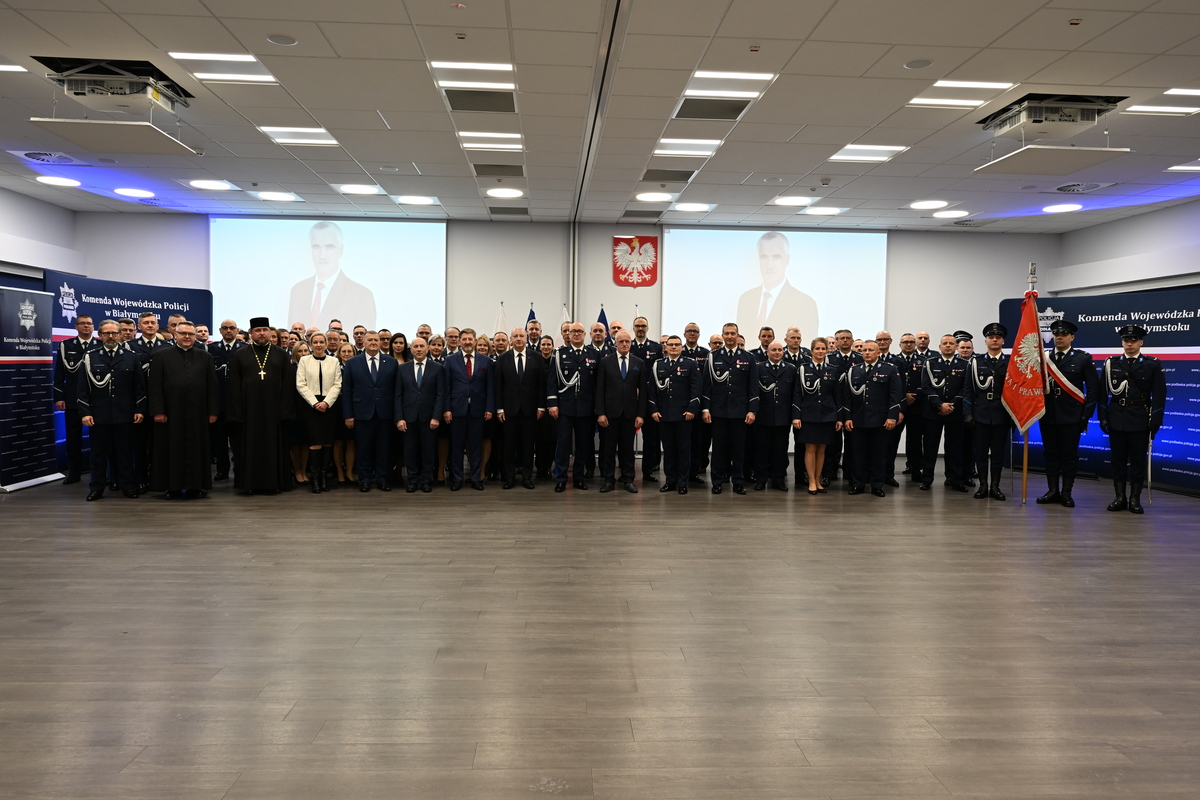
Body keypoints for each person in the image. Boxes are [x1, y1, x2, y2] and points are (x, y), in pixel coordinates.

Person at [1099, 324, 1165, 514]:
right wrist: (1102, 417)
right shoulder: (1111, 363)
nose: (1129, 344)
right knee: (1118, 461)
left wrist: (1156, 421)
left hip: (1140, 419)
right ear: (1122, 342)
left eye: (1133, 340)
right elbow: (1102, 393)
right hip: (1116, 417)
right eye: (1126, 340)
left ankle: (1135, 499)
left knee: (1137, 461)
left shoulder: (1152, 364)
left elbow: (1159, 394)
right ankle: (1120, 497)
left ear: (1141, 342)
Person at [148, 321, 219, 499]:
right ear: (175, 335)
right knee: (171, 450)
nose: (187, 337)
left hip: (198, 412)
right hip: (171, 413)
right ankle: (173, 488)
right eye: (183, 333)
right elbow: (155, 386)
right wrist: (158, 411)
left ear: (195, 337)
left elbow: (212, 386)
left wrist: (212, 411)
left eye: (191, 334)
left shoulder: (205, 357)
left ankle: (196, 487)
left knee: (197, 449)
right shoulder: (161, 356)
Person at [77, 320, 145, 500]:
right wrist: (85, 412)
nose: (111, 336)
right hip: (99, 415)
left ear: (120, 334)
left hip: (125, 414)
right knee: (98, 454)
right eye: (106, 333)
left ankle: (127, 486)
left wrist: (140, 409)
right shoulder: (90, 357)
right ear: (100, 335)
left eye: (114, 333)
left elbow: (139, 387)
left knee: (125, 452)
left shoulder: (131, 357)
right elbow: (82, 389)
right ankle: (96, 488)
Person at [227, 317, 296, 495]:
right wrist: (237, 412)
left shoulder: (280, 354)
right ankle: (249, 484)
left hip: (274, 412)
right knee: (250, 448)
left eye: (265, 330)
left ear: (270, 332)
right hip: (249, 412)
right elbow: (234, 385)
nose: (262, 333)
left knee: (274, 447)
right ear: (251, 333)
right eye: (258, 330)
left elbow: (288, 384)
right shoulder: (240, 354)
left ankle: (274, 483)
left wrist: (285, 411)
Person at [1037, 320, 1100, 509]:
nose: (1059, 337)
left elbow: (1093, 389)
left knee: (1069, 456)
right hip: (1048, 414)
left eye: (1064, 334)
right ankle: (1052, 490)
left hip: (1072, 415)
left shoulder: (1082, 358)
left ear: (1071, 337)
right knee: (1050, 454)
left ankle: (1066, 493)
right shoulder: (1043, 358)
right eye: (1056, 334)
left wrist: (1086, 415)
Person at [702, 323, 759, 495]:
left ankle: (738, 482)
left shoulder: (748, 357)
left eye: (733, 333)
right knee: (718, 449)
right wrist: (705, 409)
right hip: (718, 411)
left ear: (737, 335)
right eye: (726, 333)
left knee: (738, 449)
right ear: (722, 335)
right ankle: (717, 482)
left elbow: (753, 387)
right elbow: (707, 386)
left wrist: (752, 410)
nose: (729, 336)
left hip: (740, 412)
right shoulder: (713, 356)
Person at [286, 221, 377, 329]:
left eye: (329, 247)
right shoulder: (297, 291)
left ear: (340, 250)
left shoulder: (362, 295)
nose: (322, 255)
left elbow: (366, 337)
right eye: (316, 247)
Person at [840, 340, 902, 497]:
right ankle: (858, 484)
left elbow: (895, 395)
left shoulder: (890, 369)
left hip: (880, 420)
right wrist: (848, 417)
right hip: (858, 419)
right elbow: (847, 396)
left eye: (870, 350)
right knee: (857, 454)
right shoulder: (854, 370)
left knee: (879, 454)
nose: (867, 353)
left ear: (878, 353)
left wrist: (892, 417)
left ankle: (877, 485)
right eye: (864, 350)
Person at [342, 330, 399, 491]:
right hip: (361, 413)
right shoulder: (353, 363)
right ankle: (365, 480)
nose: (373, 342)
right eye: (370, 340)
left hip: (385, 414)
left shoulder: (391, 362)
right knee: (363, 448)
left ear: (380, 342)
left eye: (376, 340)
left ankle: (382, 479)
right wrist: (348, 415)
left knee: (384, 449)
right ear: (364, 342)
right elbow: (347, 391)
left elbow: (397, 391)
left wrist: (397, 415)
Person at [735, 231, 819, 339]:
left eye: (776, 257)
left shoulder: (805, 304)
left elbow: (807, 343)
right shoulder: (746, 299)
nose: (769, 265)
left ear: (787, 260)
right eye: (764, 257)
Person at [548, 322, 600, 492]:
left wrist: (597, 407)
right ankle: (561, 478)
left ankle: (579, 477)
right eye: (573, 331)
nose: (576, 334)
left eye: (579, 331)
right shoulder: (559, 354)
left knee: (583, 445)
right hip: (565, 407)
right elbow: (552, 381)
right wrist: (552, 403)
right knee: (563, 444)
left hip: (586, 407)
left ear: (585, 334)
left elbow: (598, 384)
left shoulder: (594, 354)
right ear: (568, 334)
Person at [963, 323, 1011, 501]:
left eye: (998, 337)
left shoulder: (1011, 362)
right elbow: (968, 389)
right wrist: (967, 413)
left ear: (1003, 341)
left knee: (998, 453)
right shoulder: (976, 362)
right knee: (981, 453)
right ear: (985, 341)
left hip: (1002, 413)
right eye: (991, 337)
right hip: (980, 412)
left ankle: (995, 487)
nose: (994, 340)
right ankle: (983, 486)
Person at [442, 328, 494, 490]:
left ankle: (476, 478)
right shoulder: (450, 360)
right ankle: (457, 479)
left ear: (475, 341)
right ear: (459, 341)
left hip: (478, 410)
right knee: (457, 446)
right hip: (456, 410)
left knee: (476, 446)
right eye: (464, 339)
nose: (467, 342)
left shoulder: (485, 361)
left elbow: (489, 387)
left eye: (470, 339)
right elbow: (446, 388)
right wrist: (446, 409)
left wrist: (489, 408)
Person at [649, 335, 702, 494]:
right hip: (664, 414)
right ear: (665, 346)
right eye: (670, 344)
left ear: (681, 347)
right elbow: (652, 389)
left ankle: (683, 482)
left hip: (684, 414)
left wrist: (692, 409)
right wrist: (654, 409)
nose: (673, 347)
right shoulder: (658, 364)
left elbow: (696, 388)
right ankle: (670, 481)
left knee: (683, 449)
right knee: (668, 449)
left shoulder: (690, 364)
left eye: (676, 345)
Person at [594, 330, 646, 493]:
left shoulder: (639, 363)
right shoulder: (605, 362)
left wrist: (641, 414)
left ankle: (628, 479)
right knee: (608, 448)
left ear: (631, 343)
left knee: (627, 449)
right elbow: (599, 389)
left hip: (630, 414)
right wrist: (600, 413)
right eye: (621, 341)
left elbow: (643, 392)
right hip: (610, 414)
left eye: (627, 341)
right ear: (615, 343)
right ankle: (609, 479)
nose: (624, 344)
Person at [494, 327, 545, 490]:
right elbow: (498, 386)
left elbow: (542, 384)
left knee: (528, 445)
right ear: (511, 339)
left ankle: (527, 477)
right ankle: (509, 478)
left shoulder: (537, 357)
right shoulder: (503, 358)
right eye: (515, 336)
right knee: (508, 444)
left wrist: (541, 406)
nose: (518, 338)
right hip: (509, 410)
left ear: (526, 338)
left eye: (521, 336)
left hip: (530, 409)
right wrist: (499, 409)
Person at [919, 334, 969, 492]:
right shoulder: (930, 363)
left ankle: (955, 479)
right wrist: (940, 405)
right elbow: (926, 387)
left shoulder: (964, 364)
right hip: (933, 412)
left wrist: (951, 405)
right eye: (945, 343)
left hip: (955, 412)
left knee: (955, 448)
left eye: (951, 343)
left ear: (956, 347)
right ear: (939, 347)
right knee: (930, 447)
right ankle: (927, 479)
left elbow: (965, 388)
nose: (948, 345)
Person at [394, 337, 445, 492]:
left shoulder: (437, 368)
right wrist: (399, 418)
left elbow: (440, 394)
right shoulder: (402, 368)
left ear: (427, 348)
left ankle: (425, 480)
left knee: (428, 451)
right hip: (408, 417)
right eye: (415, 346)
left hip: (429, 418)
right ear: (411, 349)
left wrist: (436, 417)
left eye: (422, 346)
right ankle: (412, 480)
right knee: (410, 451)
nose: (419, 349)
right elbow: (398, 395)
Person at [53, 314, 99, 484]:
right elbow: (60, 373)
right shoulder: (66, 345)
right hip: (72, 398)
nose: (86, 326)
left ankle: (98, 472)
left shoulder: (100, 345)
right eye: (83, 323)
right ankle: (74, 472)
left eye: (89, 323)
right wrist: (59, 396)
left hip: (96, 399)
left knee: (98, 439)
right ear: (76, 326)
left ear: (93, 327)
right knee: (73, 438)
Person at [295, 332, 342, 493]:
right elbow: (301, 384)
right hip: (311, 406)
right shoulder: (304, 360)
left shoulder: (334, 361)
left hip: (329, 405)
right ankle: (315, 479)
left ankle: (323, 479)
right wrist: (315, 403)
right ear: (310, 344)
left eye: (322, 342)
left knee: (328, 442)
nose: (319, 345)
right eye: (315, 342)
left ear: (326, 343)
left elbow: (337, 384)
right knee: (315, 442)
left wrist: (326, 402)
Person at [794, 337, 841, 495]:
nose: (820, 351)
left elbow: (837, 395)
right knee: (810, 448)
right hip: (808, 414)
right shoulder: (803, 369)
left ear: (827, 350)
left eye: (823, 349)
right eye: (817, 349)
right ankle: (811, 481)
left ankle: (818, 479)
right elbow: (797, 394)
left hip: (828, 414)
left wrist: (839, 417)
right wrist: (796, 416)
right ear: (811, 351)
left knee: (822, 450)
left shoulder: (832, 369)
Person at [752, 341, 797, 491]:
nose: (777, 352)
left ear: (783, 352)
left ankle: (779, 480)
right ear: (767, 352)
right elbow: (754, 391)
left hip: (783, 417)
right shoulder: (759, 368)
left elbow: (794, 394)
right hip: (763, 416)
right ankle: (761, 479)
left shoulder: (791, 369)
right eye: (774, 350)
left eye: (779, 350)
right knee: (761, 450)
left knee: (780, 451)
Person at [822, 328, 864, 486]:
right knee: (832, 442)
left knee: (853, 442)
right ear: (836, 342)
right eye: (841, 338)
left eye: (848, 338)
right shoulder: (829, 358)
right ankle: (829, 472)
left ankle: (850, 472)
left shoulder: (860, 358)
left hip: (855, 405)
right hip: (834, 404)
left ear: (852, 341)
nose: (845, 340)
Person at [207, 319, 244, 482]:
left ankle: (239, 468)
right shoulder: (211, 349)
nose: (228, 331)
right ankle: (222, 470)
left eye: (232, 328)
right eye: (225, 328)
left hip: (238, 403)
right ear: (220, 330)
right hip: (219, 401)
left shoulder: (244, 349)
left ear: (237, 330)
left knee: (238, 439)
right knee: (219, 440)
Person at [630, 316, 663, 483]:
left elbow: (659, 374)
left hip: (649, 399)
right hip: (630, 399)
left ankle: (648, 471)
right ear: (633, 328)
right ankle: (627, 471)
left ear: (647, 328)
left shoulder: (656, 348)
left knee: (650, 439)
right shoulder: (628, 345)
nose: (640, 328)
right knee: (627, 439)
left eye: (643, 326)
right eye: (637, 326)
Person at [681, 322, 711, 485]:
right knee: (682, 442)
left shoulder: (706, 354)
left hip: (699, 405)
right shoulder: (678, 351)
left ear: (699, 335)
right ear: (684, 334)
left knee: (698, 441)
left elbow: (707, 381)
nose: (692, 333)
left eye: (695, 331)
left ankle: (694, 472)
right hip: (681, 405)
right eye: (689, 331)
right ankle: (680, 472)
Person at [896, 332, 925, 480]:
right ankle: (888, 473)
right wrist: (904, 395)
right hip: (899, 406)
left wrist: (914, 395)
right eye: (905, 342)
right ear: (899, 345)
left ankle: (916, 469)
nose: (908, 344)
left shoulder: (923, 361)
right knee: (893, 440)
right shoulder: (894, 361)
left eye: (911, 342)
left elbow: (925, 382)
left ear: (915, 344)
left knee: (915, 440)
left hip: (916, 405)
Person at [332, 342, 358, 486]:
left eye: (350, 351)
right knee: (338, 442)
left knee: (351, 441)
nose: (347, 354)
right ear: (339, 353)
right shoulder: (335, 367)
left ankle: (349, 472)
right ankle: (339, 473)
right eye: (344, 351)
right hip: (337, 407)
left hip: (354, 408)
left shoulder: (357, 366)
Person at [535, 335, 558, 479]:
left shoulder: (557, 361)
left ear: (553, 346)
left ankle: (549, 466)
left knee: (552, 438)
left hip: (553, 405)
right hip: (538, 405)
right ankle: (540, 467)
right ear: (539, 346)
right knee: (539, 439)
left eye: (548, 344)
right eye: (543, 344)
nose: (546, 347)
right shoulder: (535, 361)